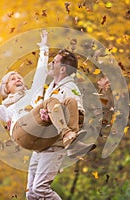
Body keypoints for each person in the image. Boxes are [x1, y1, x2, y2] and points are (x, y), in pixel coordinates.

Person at [25, 49, 96, 200]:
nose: (51, 64)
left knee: (39, 189)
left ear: (63, 69)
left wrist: (53, 117)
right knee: (30, 193)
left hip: (55, 144)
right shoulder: (51, 87)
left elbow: (78, 115)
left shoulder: (70, 88)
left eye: (54, 62)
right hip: (41, 144)